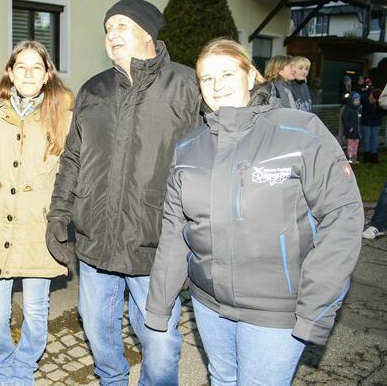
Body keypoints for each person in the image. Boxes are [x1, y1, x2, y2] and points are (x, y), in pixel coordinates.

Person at [145, 38, 363, 386]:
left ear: (250, 76)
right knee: (222, 377)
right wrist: (158, 307)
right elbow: (175, 232)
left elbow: (343, 217)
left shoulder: (300, 132)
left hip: (277, 311)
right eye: (207, 78)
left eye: (227, 74)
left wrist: (315, 305)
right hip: (209, 304)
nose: (217, 86)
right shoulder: (188, 147)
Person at [46, 0, 200, 385]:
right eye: (107, 28)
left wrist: (198, 238)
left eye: (121, 26)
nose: (111, 34)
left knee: (159, 340)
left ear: (147, 33)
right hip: (96, 239)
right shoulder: (93, 89)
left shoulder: (186, 85)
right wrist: (59, 213)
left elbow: (214, 150)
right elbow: (73, 158)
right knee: (97, 328)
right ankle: (111, 379)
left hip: (155, 243)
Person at [0, 40, 73, 385]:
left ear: (47, 75)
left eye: (36, 67)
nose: (28, 73)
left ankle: (23, 370)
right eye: (21, 66)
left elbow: (73, 172)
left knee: (36, 312)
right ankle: (2, 368)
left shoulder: (63, 115)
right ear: (10, 73)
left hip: (37, 229)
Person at [361, 88, 386, 163]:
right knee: (366, 139)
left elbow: (384, 111)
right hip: (365, 121)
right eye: (371, 97)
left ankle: (374, 156)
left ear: (377, 100)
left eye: (373, 99)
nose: (371, 100)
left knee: (375, 138)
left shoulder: (382, 102)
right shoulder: (364, 97)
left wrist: (378, 116)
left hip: (376, 122)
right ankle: (366, 157)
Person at [342, 92, 362, 163]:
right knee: (350, 145)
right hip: (351, 132)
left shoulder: (358, 109)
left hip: (357, 132)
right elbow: (345, 119)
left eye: (358, 100)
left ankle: (354, 157)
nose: (358, 102)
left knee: (355, 145)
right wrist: (349, 127)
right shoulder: (348, 109)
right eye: (356, 100)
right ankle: (350, 157)